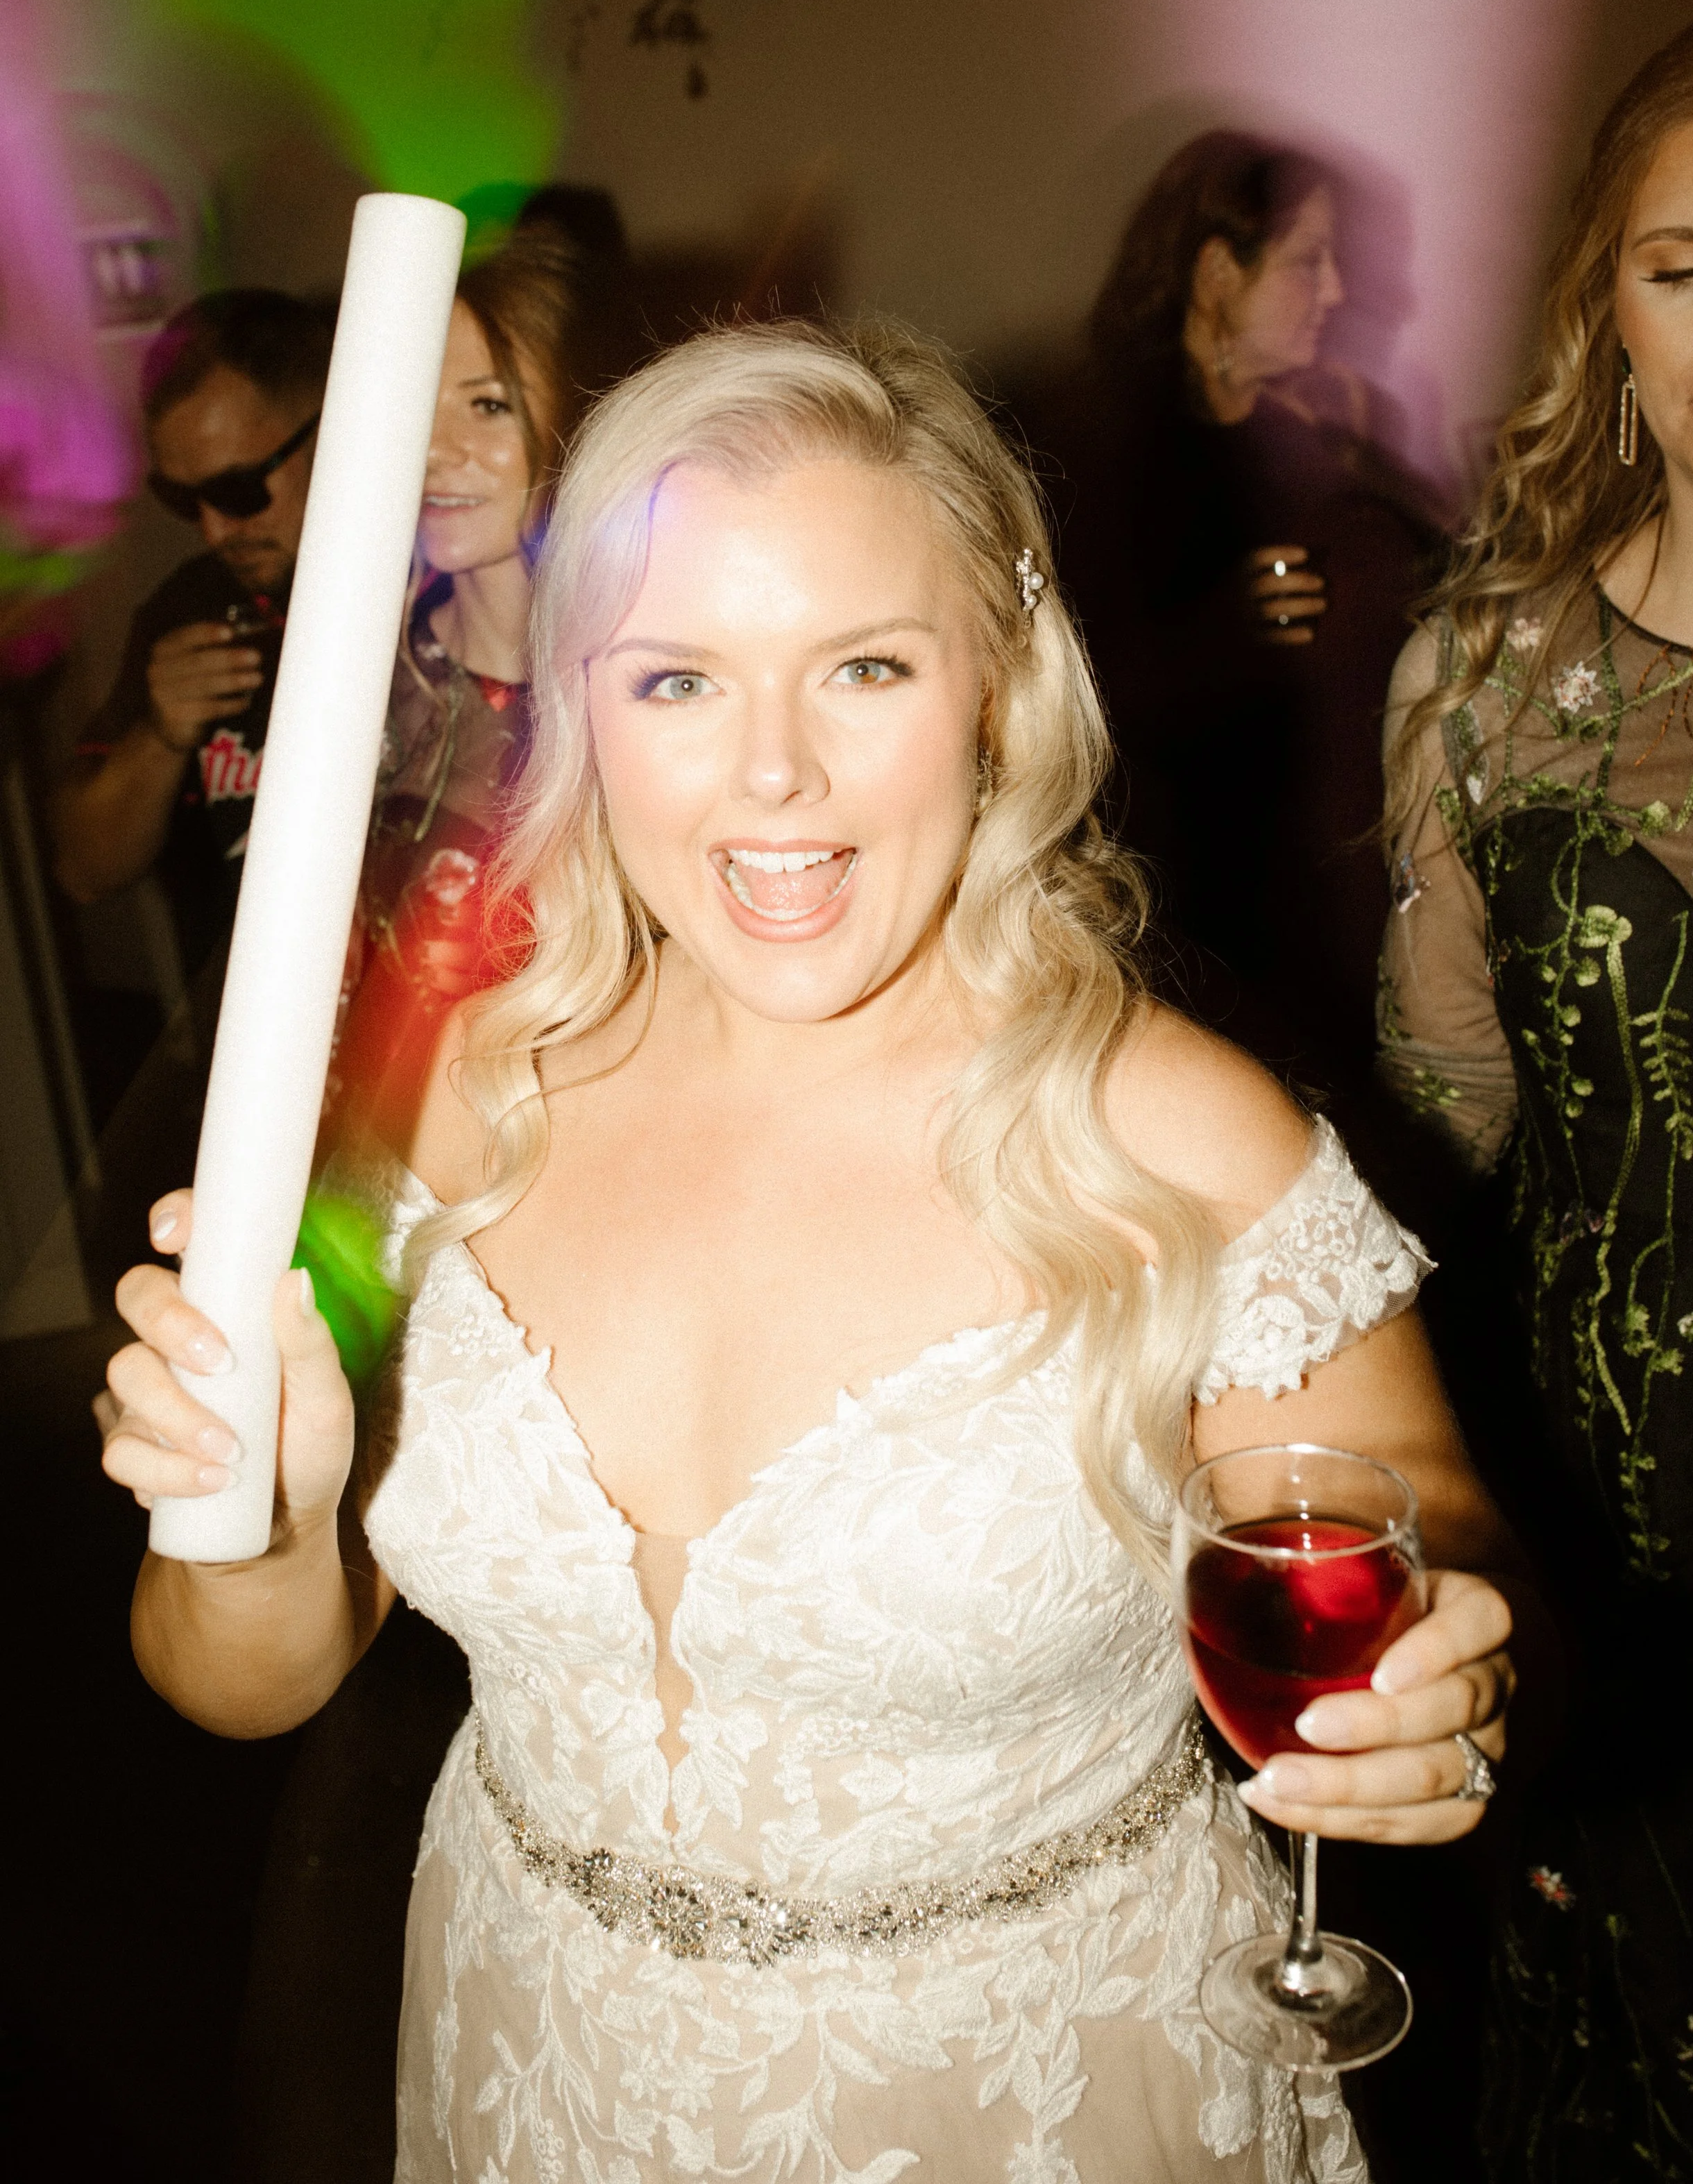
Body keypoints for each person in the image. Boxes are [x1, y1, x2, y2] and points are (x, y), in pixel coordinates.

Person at [101, 321, 1523, 2184]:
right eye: (678, 678)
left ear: (998, 685)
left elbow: (1416, 1527)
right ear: (583, 707)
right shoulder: (452, 1104)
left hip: (1036, 2100)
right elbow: (238, 1675)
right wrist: (268, 1520)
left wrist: (1437, 1668)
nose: (772, 772)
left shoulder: (1183, 1143)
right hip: (535, 2056)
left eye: (863, 665)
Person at [1380, 6, 1693, 2182]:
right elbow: (1440, 1135)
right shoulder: (1484, 675)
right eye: (1680, 266)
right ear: (1605, 304)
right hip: (1613, 1544)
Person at [1073, 132, 1440, 1109]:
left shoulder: (1306, 438)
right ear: (1215, 274)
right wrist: (1229, 631)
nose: (1335, 292)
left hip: (1335, 909)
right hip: (1204, 943)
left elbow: (1446, 585)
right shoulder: (1114, 456)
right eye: (1306, 262)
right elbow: (1083, 708)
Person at [329, 230, 624, 1163]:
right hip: (349, 1165)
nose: (432, 450)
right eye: (415, 403)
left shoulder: (651, 697)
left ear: (580, 417)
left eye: (488, 405)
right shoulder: (353, 667)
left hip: (551, 1169)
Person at [51, 288, 334, 979]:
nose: (213, 531)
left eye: (238, 491)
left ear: (332, 431)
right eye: (183, 499)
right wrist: (163, 733)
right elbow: (84, 869)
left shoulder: (443, 577)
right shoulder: (188, 609)